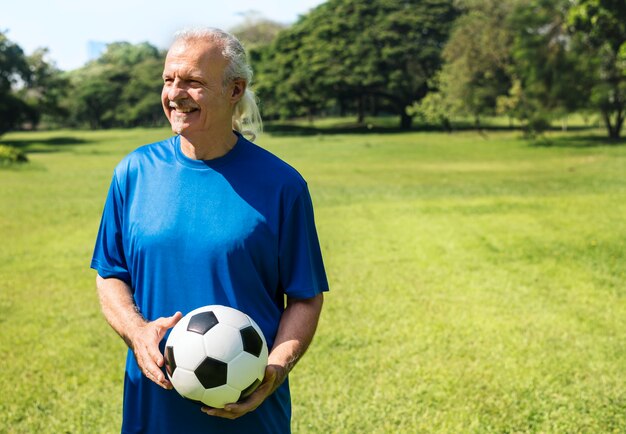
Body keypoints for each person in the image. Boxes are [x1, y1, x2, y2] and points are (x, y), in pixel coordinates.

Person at [91, 27, 329, 434]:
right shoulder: (133, 173)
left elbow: (305, 298)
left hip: (249, 415)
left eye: (194, 82)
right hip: (153, 411)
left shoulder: (282, 185)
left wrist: (274, 368)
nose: (175, 93)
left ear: (235, 89)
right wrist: (137, 332)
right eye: (169, 79)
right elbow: (110, 274)